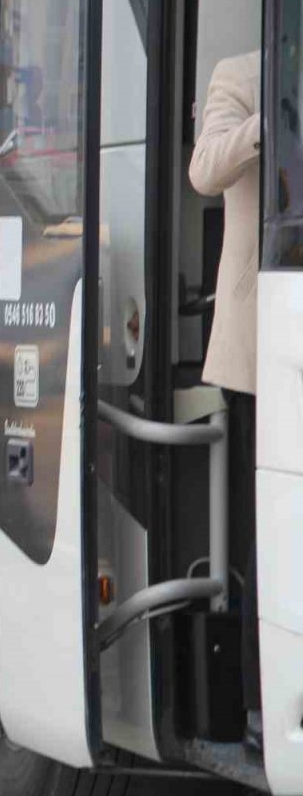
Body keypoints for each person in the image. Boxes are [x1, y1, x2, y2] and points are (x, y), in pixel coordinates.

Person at [189, 50, 261, 752]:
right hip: (258, 357)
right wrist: (274, 124)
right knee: (264, 538)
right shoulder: (241, 76)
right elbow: (204, 168)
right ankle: (259, 705)